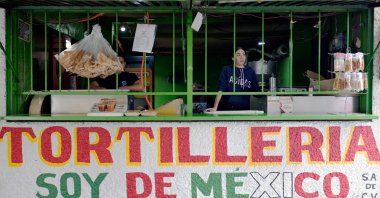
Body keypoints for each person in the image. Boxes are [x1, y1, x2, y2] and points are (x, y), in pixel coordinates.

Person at [205, 46, 259, 111]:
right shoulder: (227, 69)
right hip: (228, 107)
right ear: (233, 58)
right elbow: (221, 89)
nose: (241, 57)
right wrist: (215, 107)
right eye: (238, 55)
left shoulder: (250, 71)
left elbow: (256, 91)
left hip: (245, 108)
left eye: (243, 54)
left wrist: (268, 93)